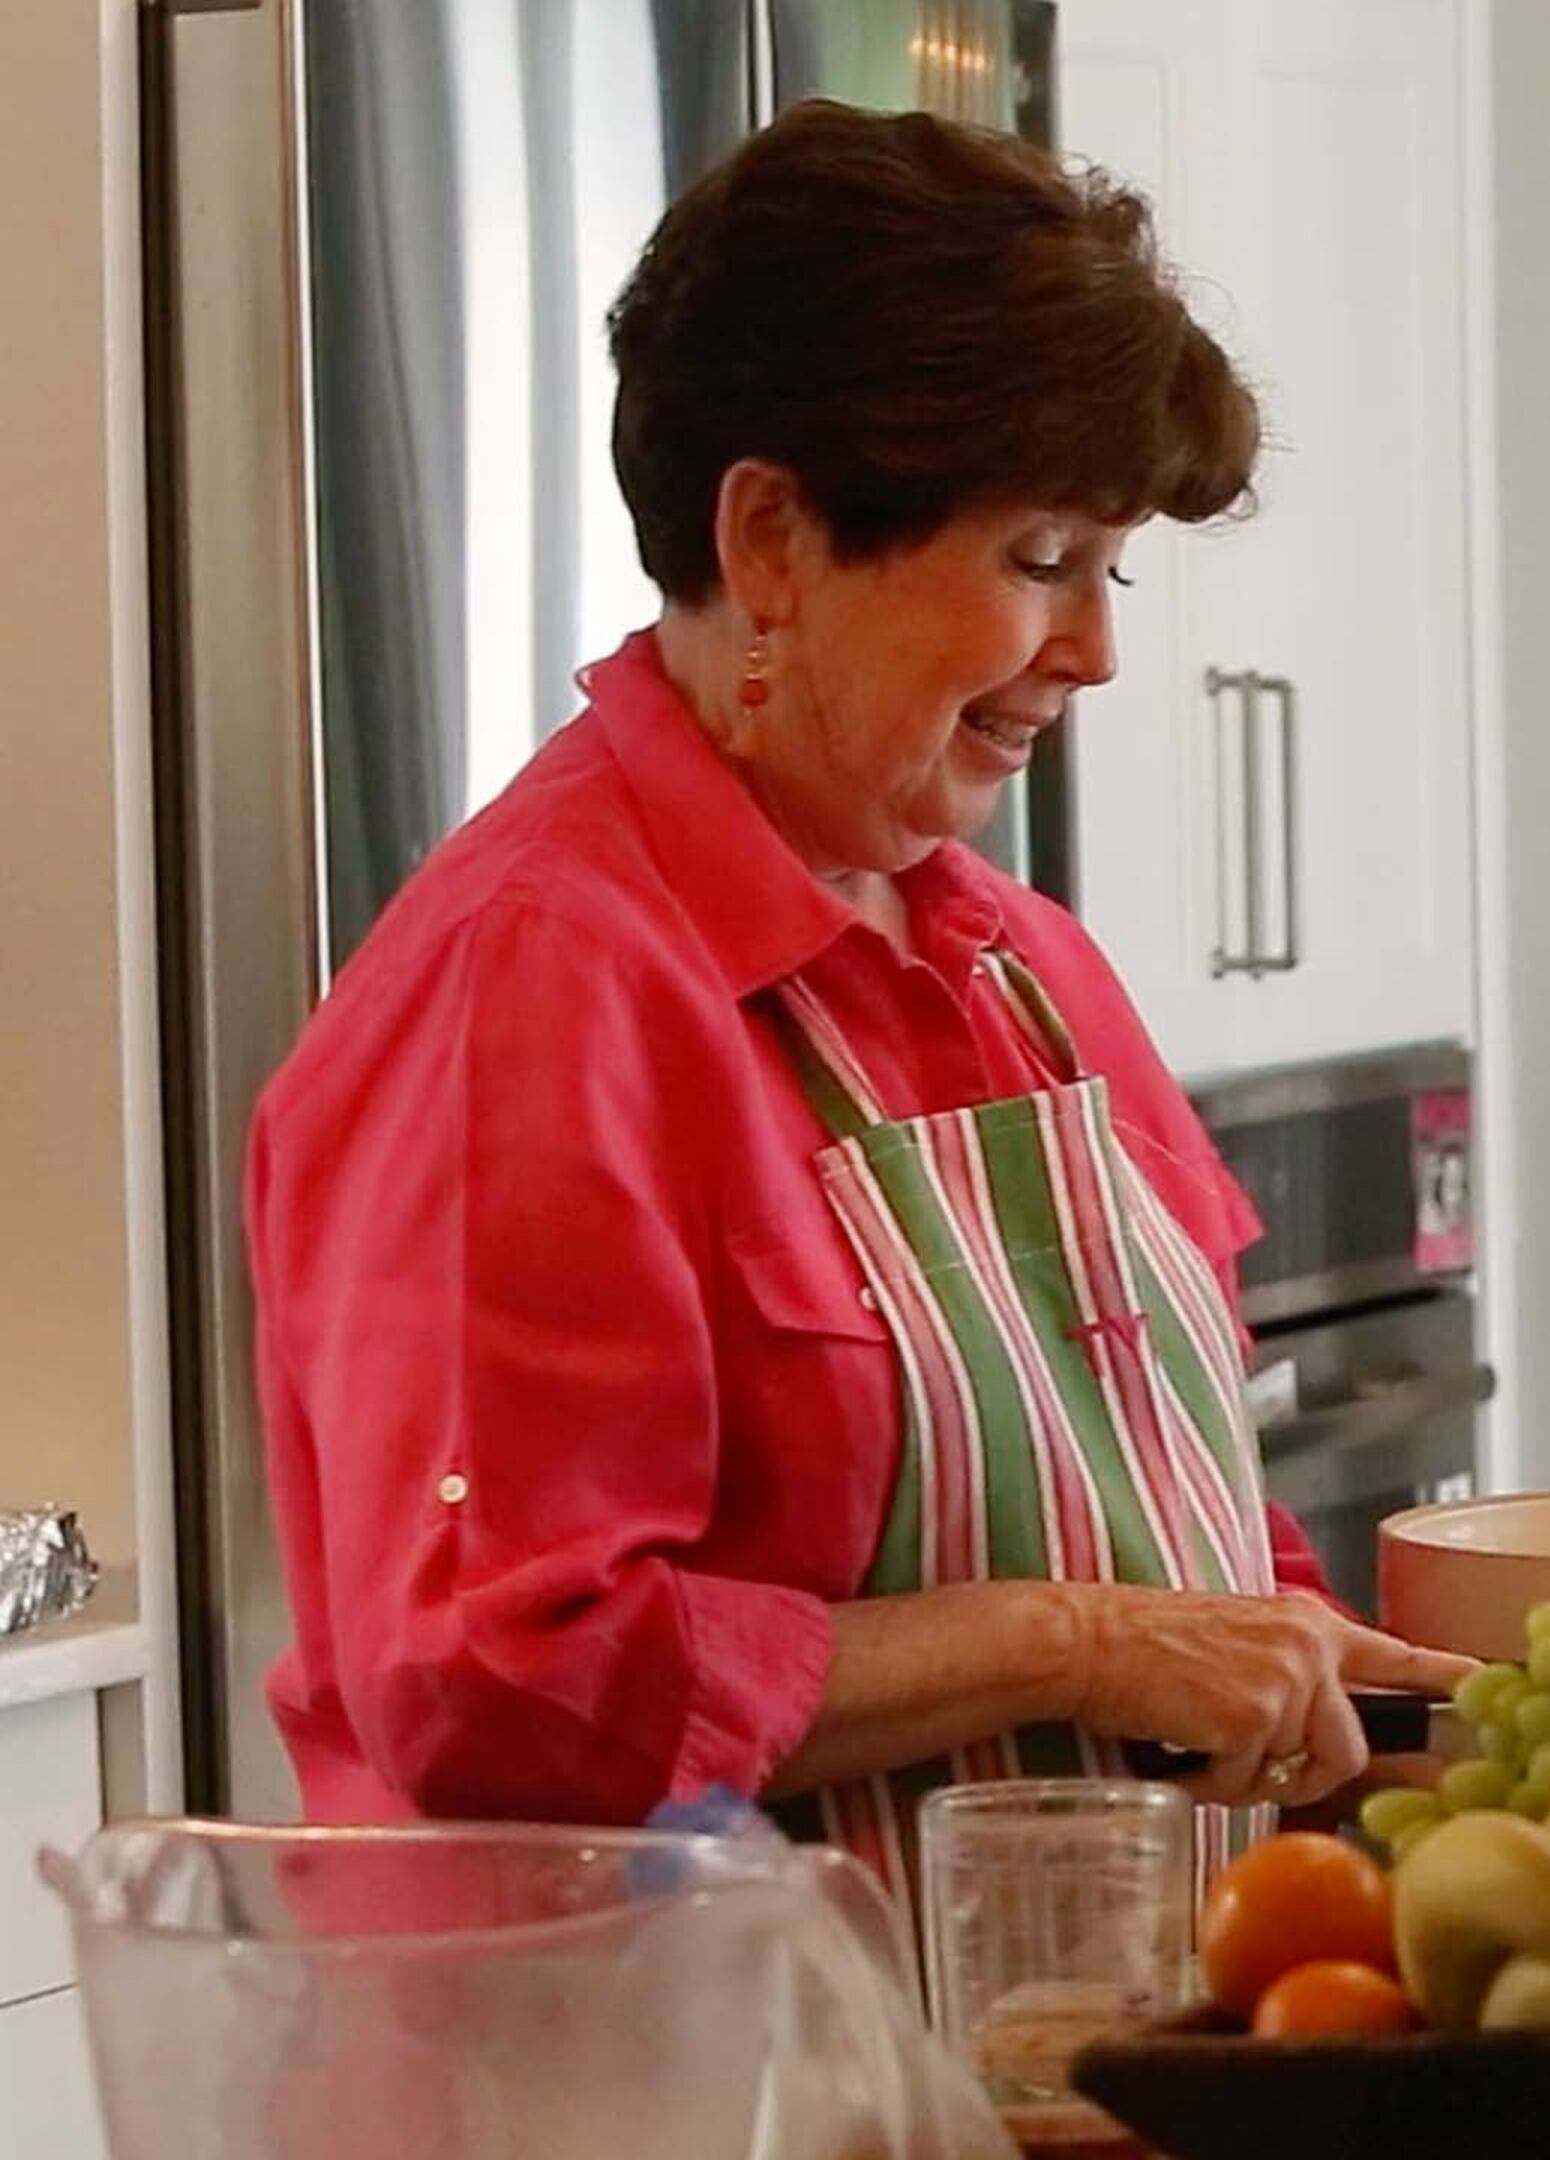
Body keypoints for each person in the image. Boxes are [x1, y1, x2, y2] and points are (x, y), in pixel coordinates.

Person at [245, 101, 1467, 1887]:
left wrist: (1319, 1680)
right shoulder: (532, 987)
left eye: (1111, 568)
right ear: (771, 540)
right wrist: (1072, 1644)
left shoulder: (1024, 970)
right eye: (1039, 561)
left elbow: (1158, 1497)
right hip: (689, 2045)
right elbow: (504, 1681)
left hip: (1065, 2031)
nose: (1097, 651)